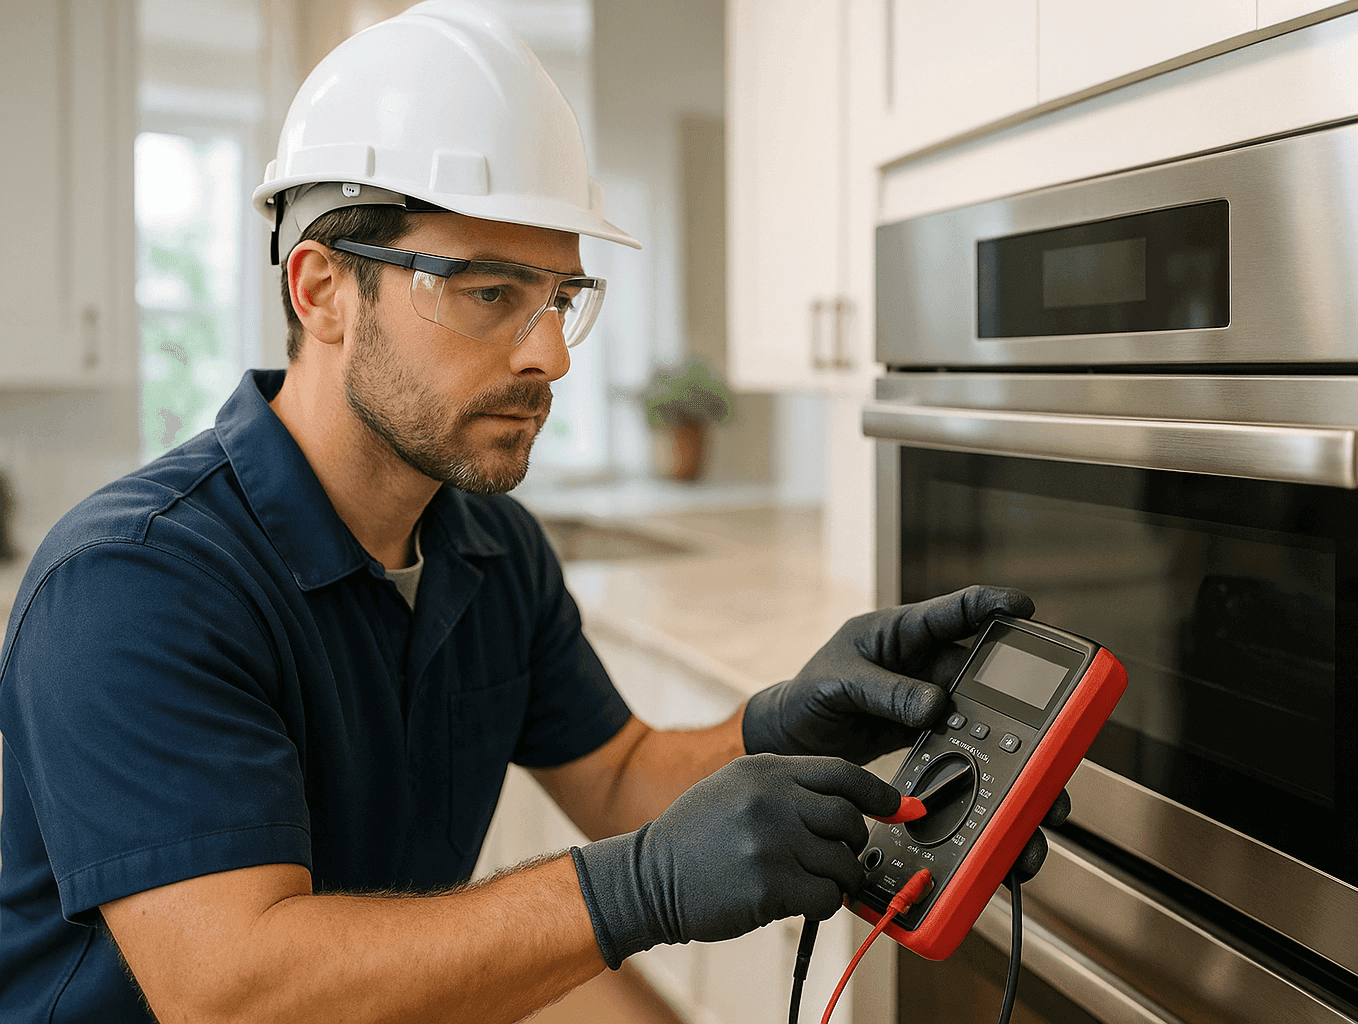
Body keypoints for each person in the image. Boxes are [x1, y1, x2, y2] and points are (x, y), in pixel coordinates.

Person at [0, 3, 1045, 1021]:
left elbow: (621, 775)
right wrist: (634, 890)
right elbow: (235, 992)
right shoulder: (134, 583)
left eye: (559, 295)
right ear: (320, 290)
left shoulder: (489, 543)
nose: (552, 353)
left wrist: (778, 723)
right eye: (488, 292)